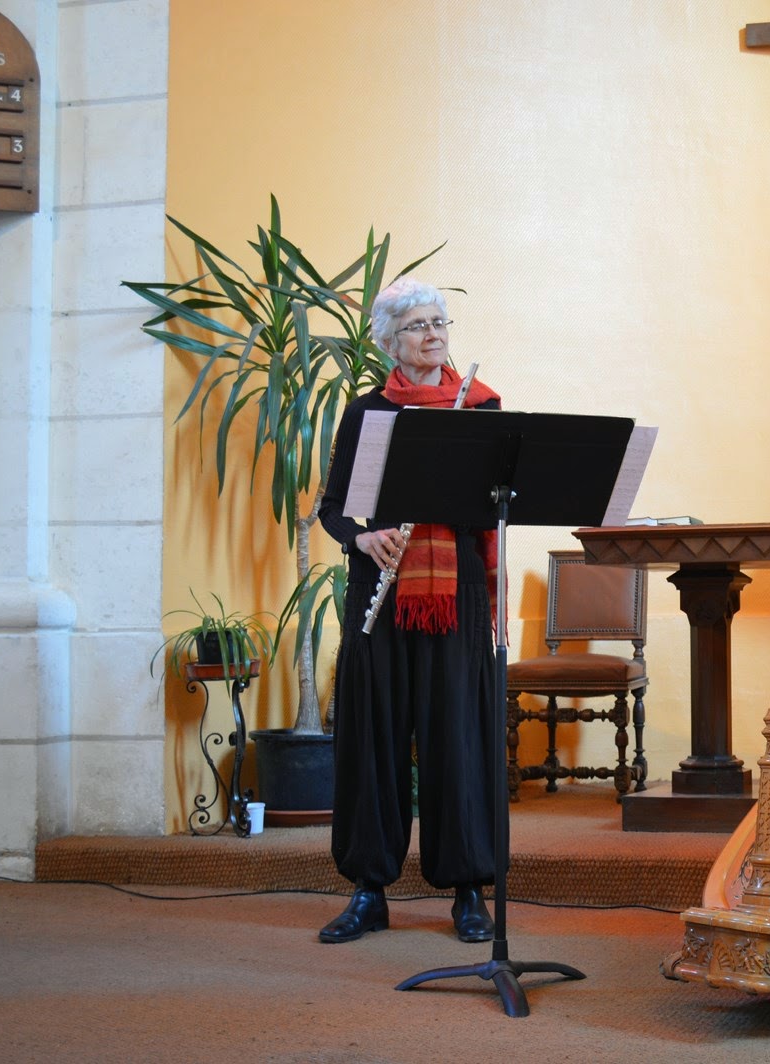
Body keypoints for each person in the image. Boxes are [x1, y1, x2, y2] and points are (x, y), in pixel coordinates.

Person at [315, 277, 504, 944]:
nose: (433, 334)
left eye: (439, 323)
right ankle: (369, 890)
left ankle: (468, 892)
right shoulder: (366, 412)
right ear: (390, 342)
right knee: (376, 737)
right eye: (418, 325)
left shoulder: (479, 407)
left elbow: (494, 505)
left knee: (457, 737)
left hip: (457, 592)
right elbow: (333, 508)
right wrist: (361, 538)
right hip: (380, 587)